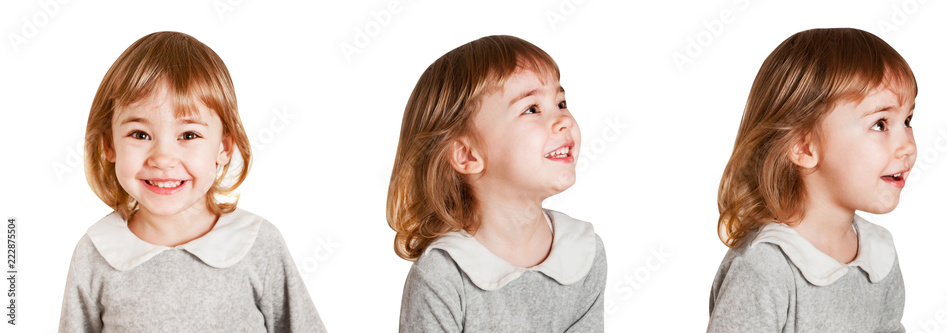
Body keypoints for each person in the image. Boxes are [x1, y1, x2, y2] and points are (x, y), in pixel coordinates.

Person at [59, 31, 325, 332]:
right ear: (109, 145)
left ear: (224, 147)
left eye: (189, 135)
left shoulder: (257, 244)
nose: (162, 158)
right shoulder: (96, 253)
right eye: (140, 134)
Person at [387, 35, 606, 332]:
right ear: (467, 155)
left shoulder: (582, 251)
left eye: (561, 102)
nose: (564, 120)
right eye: (532, 109)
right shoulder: (443, 274)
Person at [708, 28, 916, 332]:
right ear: (804, 147)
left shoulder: (878, 254)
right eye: (880, 124)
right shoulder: (765, 268)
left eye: (908, 121)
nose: (908, 145)